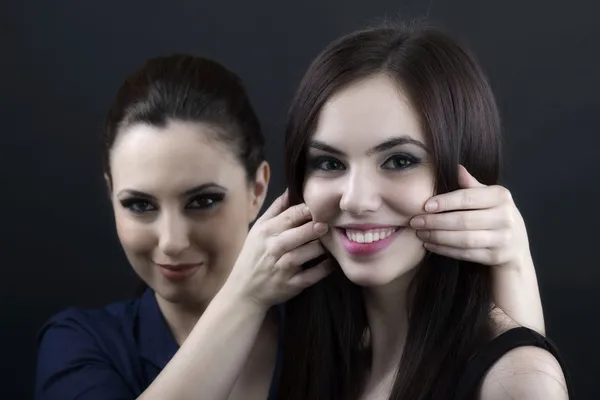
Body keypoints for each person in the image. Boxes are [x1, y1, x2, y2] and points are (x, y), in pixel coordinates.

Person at [36, 51, 546, 399]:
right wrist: (245, 294)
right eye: (139, 205)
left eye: (204, 200)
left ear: (261, 188)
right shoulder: (81, 342)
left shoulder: (334, 324)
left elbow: (499, 368)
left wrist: (513, 262)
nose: (171, 242)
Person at [275, 23, 573, 400]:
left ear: (466, 169)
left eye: (399, 160)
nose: (354, 200)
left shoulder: (517, 378)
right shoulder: (304, 354)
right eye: (330, 163)